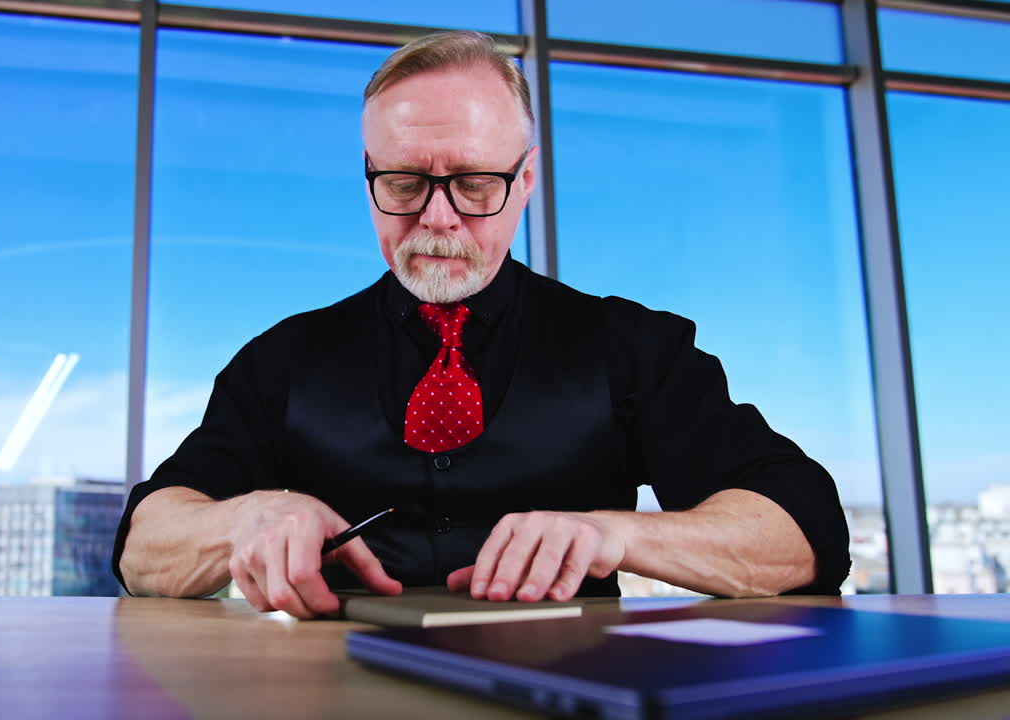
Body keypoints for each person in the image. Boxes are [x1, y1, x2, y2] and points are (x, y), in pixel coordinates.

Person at [112, 31, 850, 620]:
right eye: (403, 182)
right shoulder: (280, 360)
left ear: (525, 181)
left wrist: (614, 535)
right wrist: (247, 520)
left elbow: (805, 530)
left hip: (575, 690)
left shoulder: (634, 348)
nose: (438, 218)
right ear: (368, 179)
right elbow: (144, 547)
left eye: (473, 184)